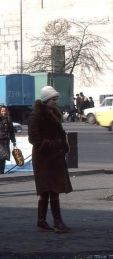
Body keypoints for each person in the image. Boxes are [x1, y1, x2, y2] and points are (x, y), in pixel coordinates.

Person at [28, 86, 72, 233]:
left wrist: (62, 144)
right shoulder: (36, 115)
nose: (56, 102)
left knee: (55, 189)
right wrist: (48, 145)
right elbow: (34, 138)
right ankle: (49, 221)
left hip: (55, 157)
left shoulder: (54, 113)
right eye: (54, 99)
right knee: (46, 190)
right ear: (46, 100)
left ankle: (51, 221)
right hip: (44, 158)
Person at [0, 106, 16, 174]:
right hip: (0, 141)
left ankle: (1, 172)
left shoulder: (8, 119)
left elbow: (11, 130)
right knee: (2, 156)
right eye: (3, 111)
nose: (4, 112)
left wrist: (13, 140)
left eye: (5, 111)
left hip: (6, 141)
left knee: (3, 157)